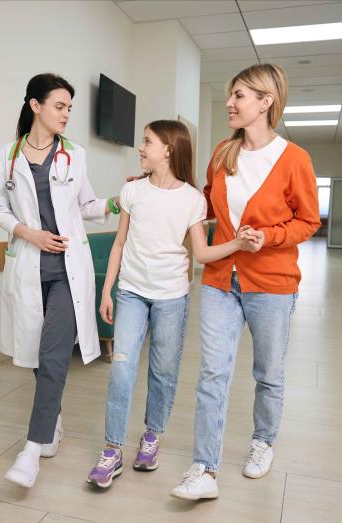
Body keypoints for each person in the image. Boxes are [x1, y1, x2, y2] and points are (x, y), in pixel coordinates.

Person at [171, 64, 321, 501]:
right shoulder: (223, 152)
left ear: (266, 101)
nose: (230, 103)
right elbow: (205, 199)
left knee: (268, 373)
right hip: (220, 279)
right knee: (213, 374)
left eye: (239, 95)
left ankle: (263, 441)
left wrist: (268, 237)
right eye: (230, 95)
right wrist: (160, 188)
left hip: (272, 283)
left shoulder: (294, 159)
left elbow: (308, 220)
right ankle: (203, 468)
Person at [86, 120, 256, 489]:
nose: (141, 148)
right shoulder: (132, 191)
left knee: (163, 372)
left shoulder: (193, 200)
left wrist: (238, 245)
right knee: (121, 369)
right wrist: (107, 290)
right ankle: (112, 449)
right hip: (131, 292)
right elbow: (119, 244)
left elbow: (202, 252)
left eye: (147, 142)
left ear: (168, 149)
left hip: (171, 298)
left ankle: (151, 437)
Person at [0, 73, 121, 488]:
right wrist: (29, 233)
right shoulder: (6, 157)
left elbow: (85, 203)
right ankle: (54, 418)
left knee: (54, 352)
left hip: (67, 272)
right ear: (35, 106)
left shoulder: (74, 154)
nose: (66, 114)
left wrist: (119, 201)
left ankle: (32, 449)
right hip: (28, 268)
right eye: (60, 106)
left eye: (69, 108)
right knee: (35, 352)